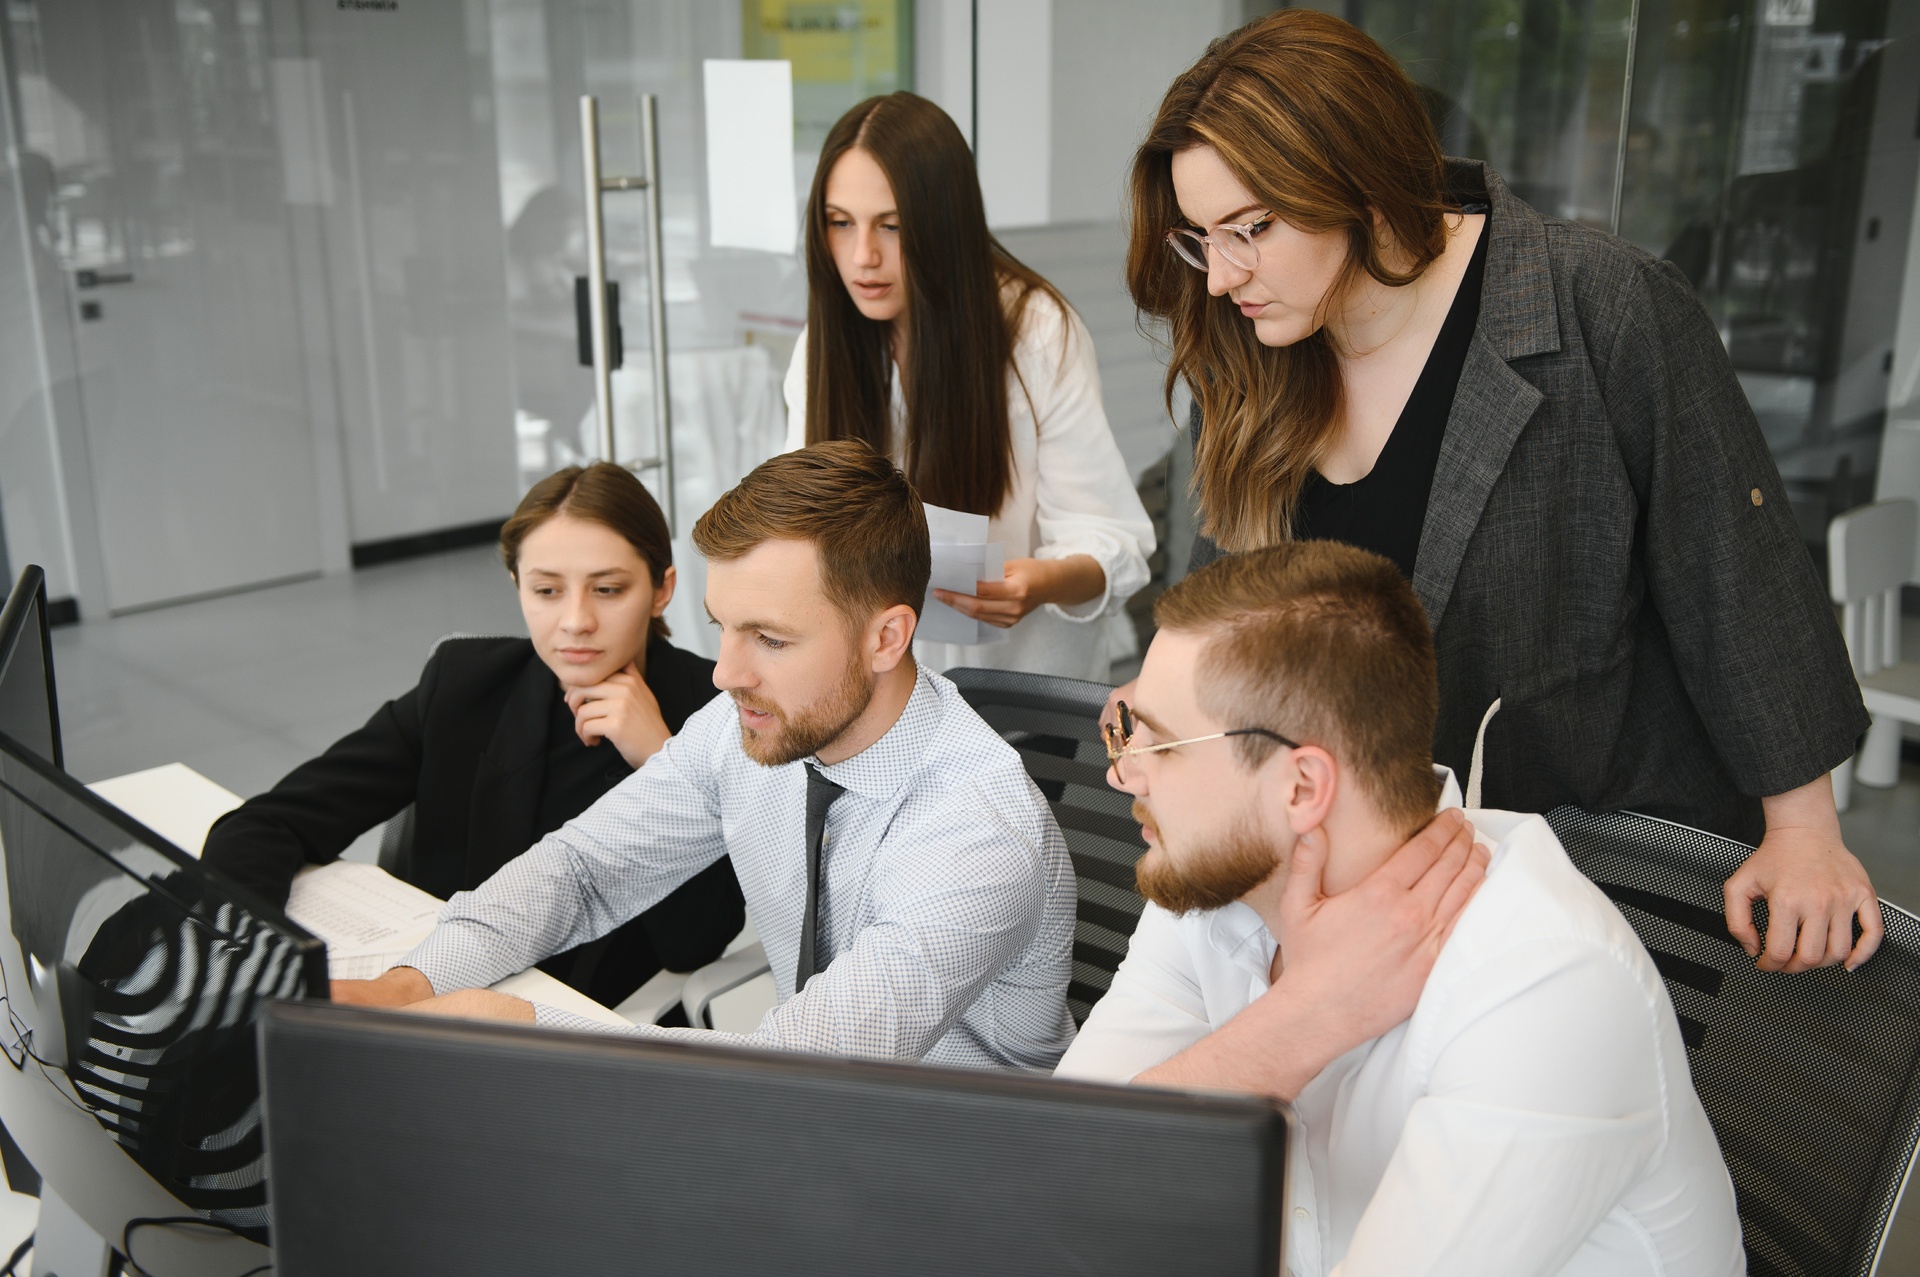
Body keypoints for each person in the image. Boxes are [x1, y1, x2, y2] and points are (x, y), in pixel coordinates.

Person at [1123, 9, 1878, 972]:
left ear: (1358, 182)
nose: (1223, 276)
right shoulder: (1251, 353)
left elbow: (1736, 565)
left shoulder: (1605, 307)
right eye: (1200, 239)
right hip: (1365, 878)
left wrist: (1804, 828)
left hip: (1603, 871)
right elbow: (1227, 613)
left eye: (1252, 229)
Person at [1057, 541, 1744, 1277]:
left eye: (1156, 744)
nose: (1121, 770)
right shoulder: (1218, 881)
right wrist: (1310, 1012)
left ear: (1300, 788)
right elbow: (1044, 1180)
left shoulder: (1545, 981)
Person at [331, 441, 1078, 1071]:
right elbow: (585, 871)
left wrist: (517, 1024)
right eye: (722, 626)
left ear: (886, 637)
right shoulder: (747, 723)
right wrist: (412, 982)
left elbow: (798, 1070)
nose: (725, 673)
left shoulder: (976, 832)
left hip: (955, 1171)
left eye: (771, 638)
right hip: (813, 1127)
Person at [202, 464, 743, 1011]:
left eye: (607, 589)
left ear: (660, 590)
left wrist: (659, 759)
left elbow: (693, 945)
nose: (576, 620)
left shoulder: (717, 710)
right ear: (517, 586)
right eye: (546, 590)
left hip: (580, 1019)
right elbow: (269, 822)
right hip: (427, 983)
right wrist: (250, 951)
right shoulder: (464, 682)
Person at [783, 92, 1154, 681]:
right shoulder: (825, 343)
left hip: (1017, 695)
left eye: (893, 226)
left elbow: (1111, 539)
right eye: (839, 223)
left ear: (943, 225)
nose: (862, 257)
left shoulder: (1035, 333)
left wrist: (1041, 582)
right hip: (879, 697)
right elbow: (800, 524)